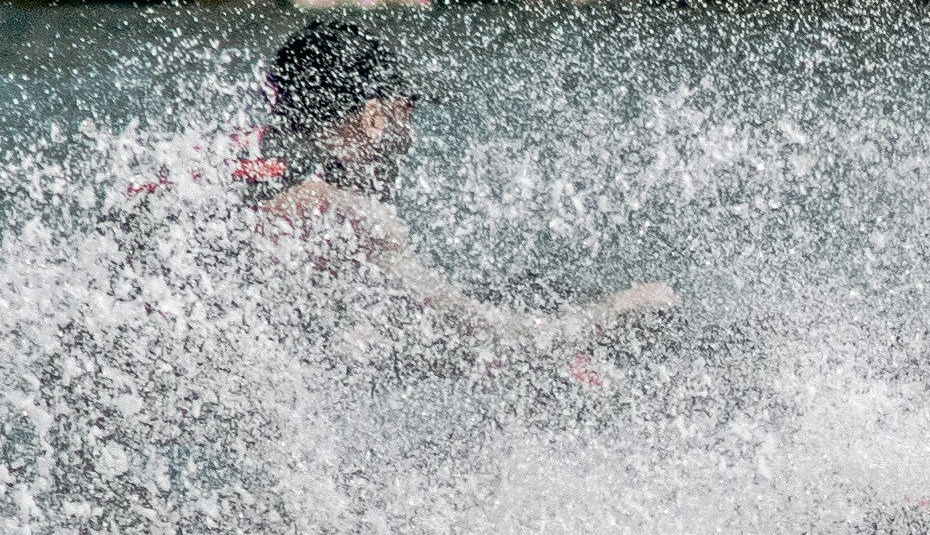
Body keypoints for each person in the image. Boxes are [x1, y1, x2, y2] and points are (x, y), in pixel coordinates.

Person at [235, 20, 672, 369]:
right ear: (373, 117)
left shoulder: (232, 157)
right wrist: (629, 306)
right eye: (406, 112)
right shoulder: (350, 214)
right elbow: (498, 343)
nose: (409, 136)